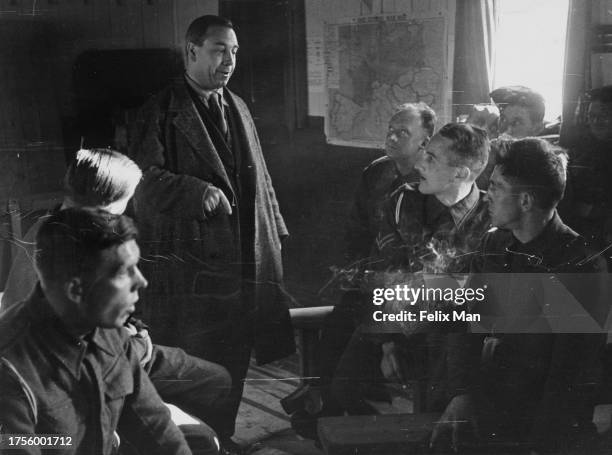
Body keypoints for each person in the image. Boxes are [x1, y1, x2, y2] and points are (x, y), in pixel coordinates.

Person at [128, 15, 294, 448]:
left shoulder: (237, 105)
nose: (229, 60)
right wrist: (194, 191)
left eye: (234, 51)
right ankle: (196, 443)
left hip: (247, 259)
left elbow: (262, 181)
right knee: (200, 365)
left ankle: (223, 437)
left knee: (236, 359)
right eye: (220, 49)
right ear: (191, 51)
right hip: (195, 268)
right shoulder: (159, 110)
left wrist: (274, 227)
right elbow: (140, 184)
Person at [1, 148, 230, 455]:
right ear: (109, 201)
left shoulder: (58, 229)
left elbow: (155, 422)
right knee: (214, 382)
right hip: (63, 365)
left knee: (195, 401)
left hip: (98, 350)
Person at [435, 138, 608, 453]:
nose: (488, 196)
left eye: (498, 187)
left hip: (542, 427)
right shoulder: (493, 246)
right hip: (486, 404)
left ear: (526, 201)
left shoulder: (578, 267)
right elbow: (464, 323)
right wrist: (461, 393)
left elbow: (566, 380)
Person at [331, 123, 491, 419]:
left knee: (436, 408)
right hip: (396, 319)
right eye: (424, 153)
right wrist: (387, 343)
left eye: (431, 158)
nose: (419, 164)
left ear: (460, 173)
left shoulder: (489, 217)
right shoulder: (404, 200)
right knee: (344, 386)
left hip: (452, 336)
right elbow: (385, 267)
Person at [0, 208, 191, 455]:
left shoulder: (110, 332)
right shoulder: (11, 370)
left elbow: (154, 424)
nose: (141, 281)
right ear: (76, 290)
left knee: (203, 440)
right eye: (124, 271)